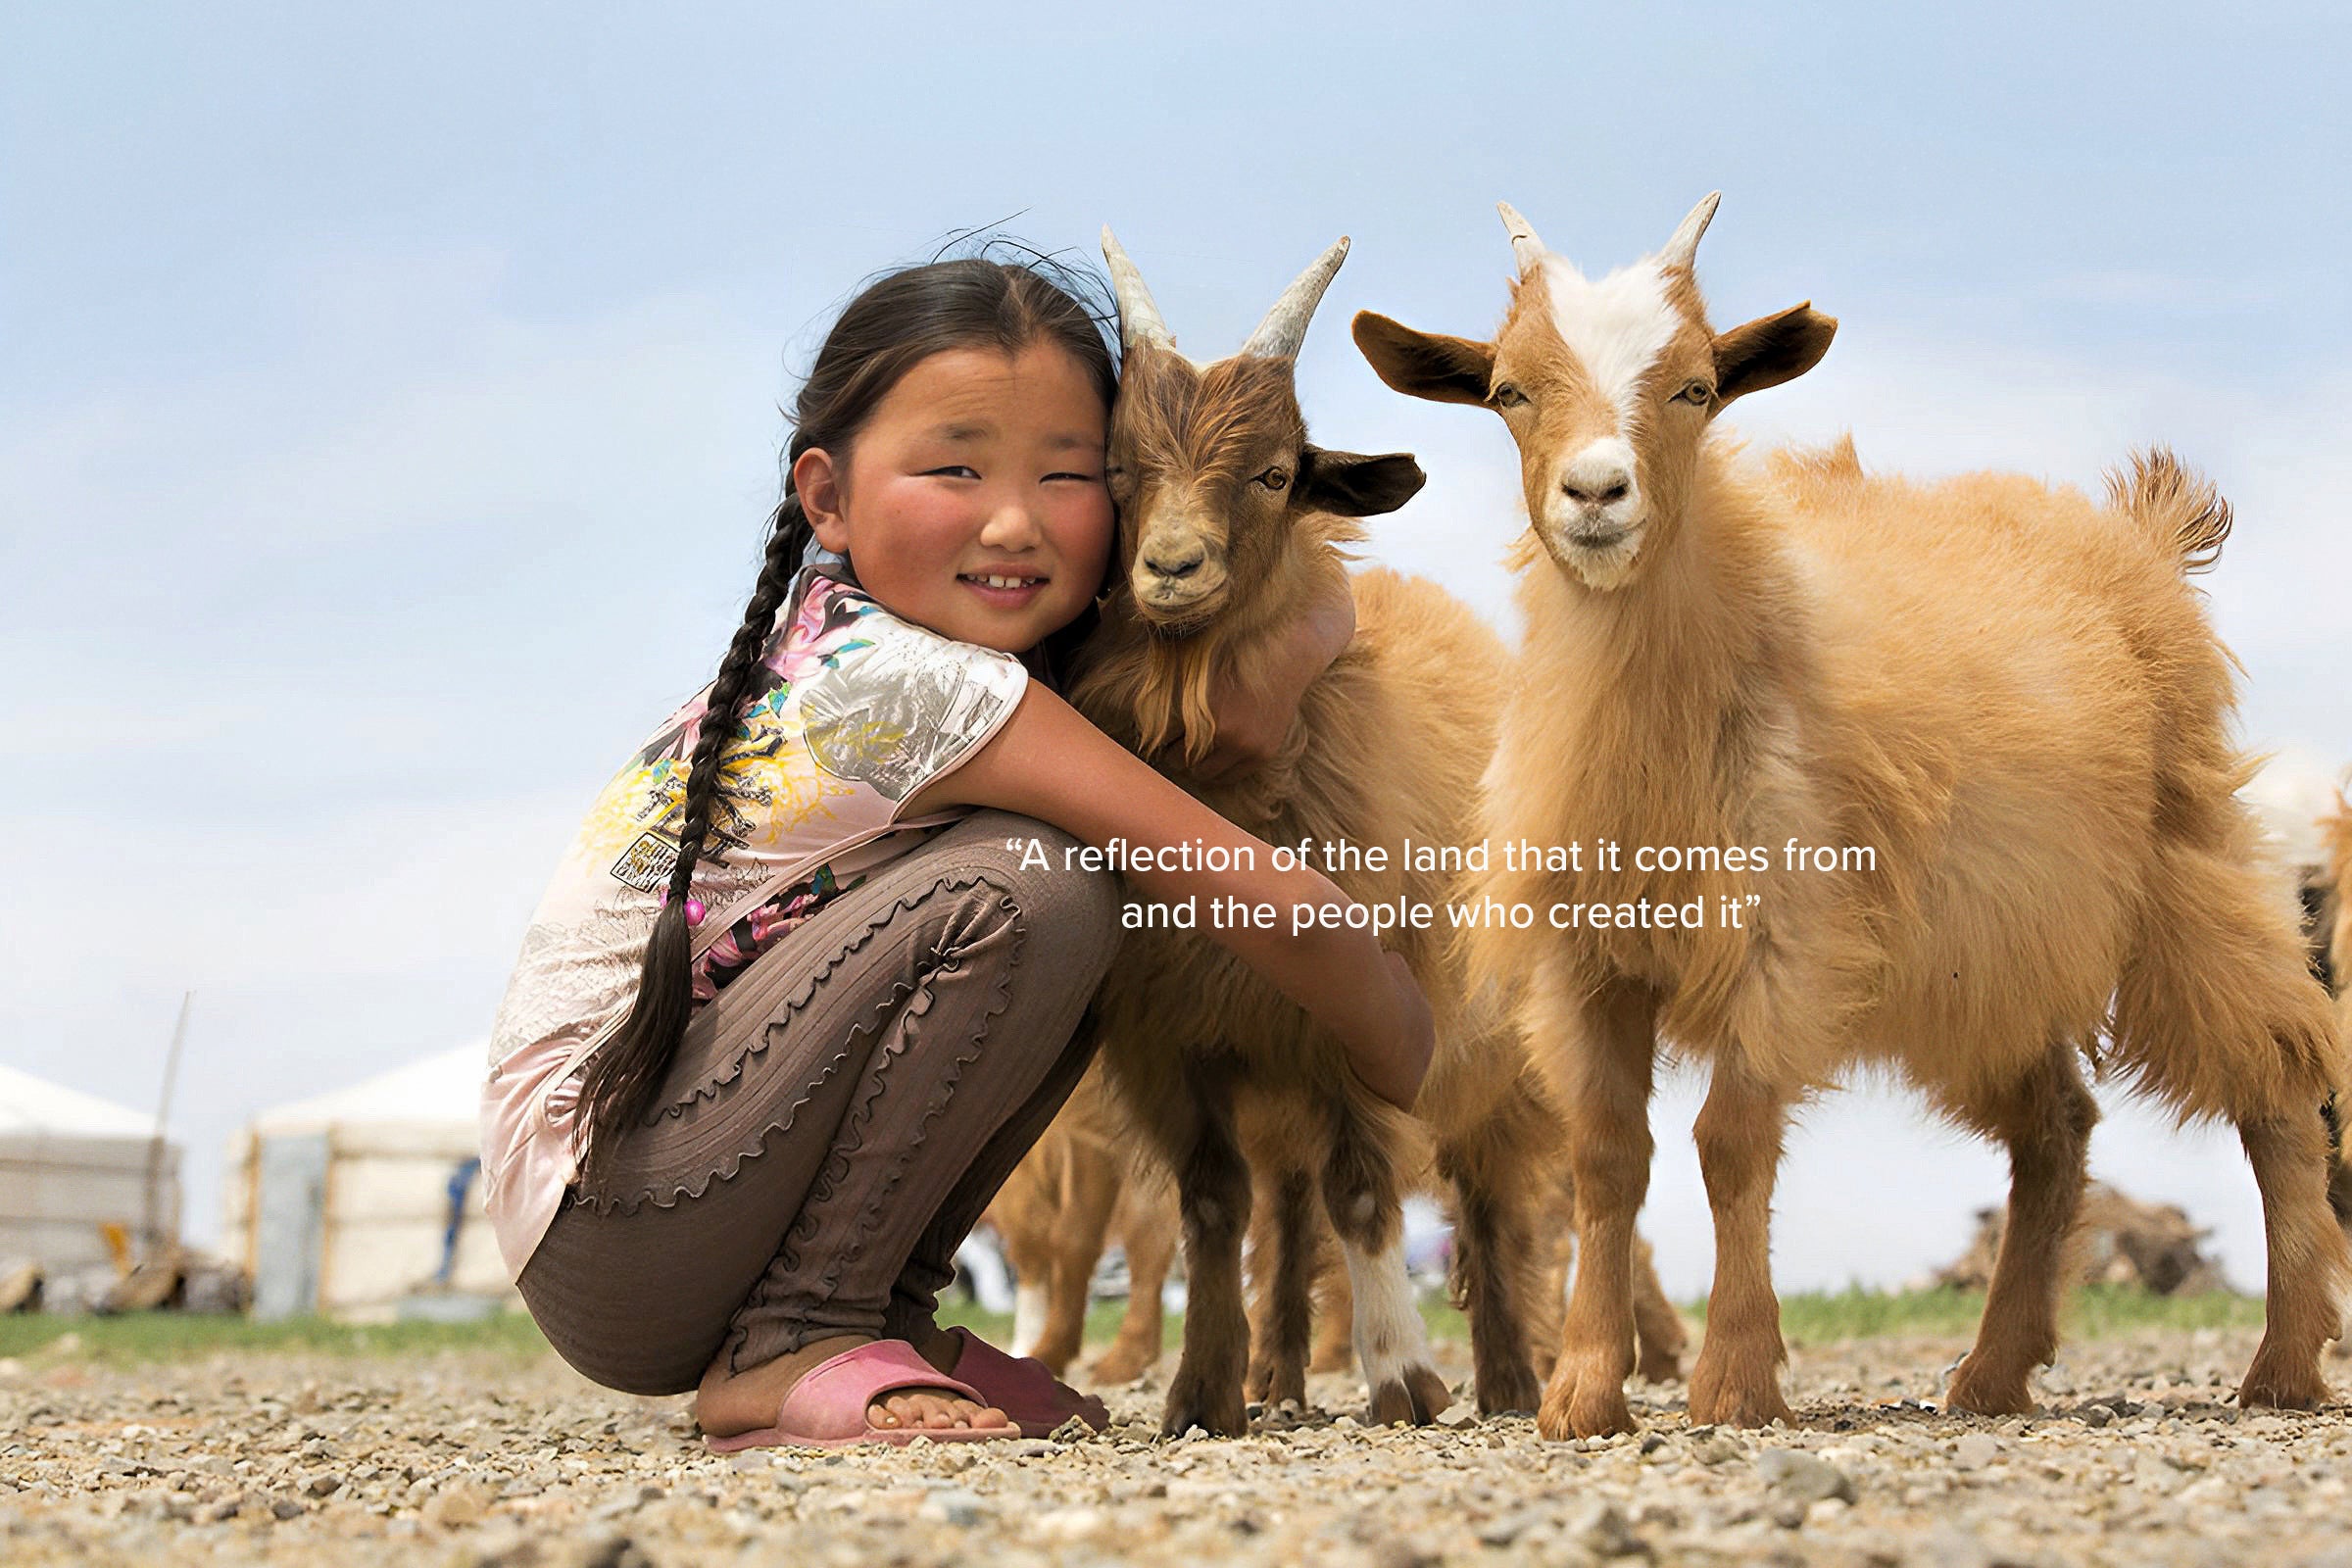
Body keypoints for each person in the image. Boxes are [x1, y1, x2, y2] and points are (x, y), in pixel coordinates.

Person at [481, 250, 1434, 1451]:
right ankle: (799, 1329)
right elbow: (1275, 900)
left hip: (650, 1196)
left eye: (1073, 475)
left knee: (1067, 890)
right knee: (1045, 890)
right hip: (621, 1223)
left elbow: (1286, 646)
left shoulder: (900, 645)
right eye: (955, 468)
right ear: (827, 497)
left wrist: (1300, 627)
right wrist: (1417, 1047)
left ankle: (880, 1312)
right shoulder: (920, 687)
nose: (1015, 520)